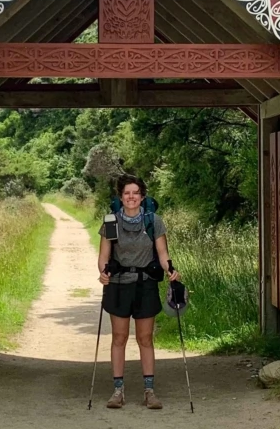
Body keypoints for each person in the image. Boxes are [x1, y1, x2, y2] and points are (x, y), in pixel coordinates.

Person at [97, 174, 180, 410]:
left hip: (145, 285)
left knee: (145, 338)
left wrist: (170, 269)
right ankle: (117, 391)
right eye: (126, 193)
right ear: (120, 197)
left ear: (142, 196)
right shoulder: (110, 223)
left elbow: (163, 253)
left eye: (135, 193)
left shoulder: (154, 221)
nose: (131, 197)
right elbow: (104, 255)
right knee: (119, 338)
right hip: (119, 284)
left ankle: (149, 391)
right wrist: (103, 272)